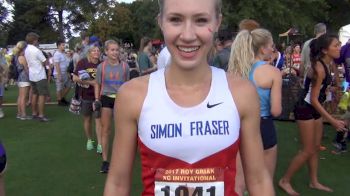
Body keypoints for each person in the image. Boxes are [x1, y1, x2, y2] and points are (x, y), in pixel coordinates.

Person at [104, 0, 274, 195]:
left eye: (201, 20)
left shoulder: (242, 92)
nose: (187, 35)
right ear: (161, 22)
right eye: (175, 19)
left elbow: (259, 180)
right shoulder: (132, 96)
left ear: (217, 22)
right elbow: (117, 184)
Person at [279, 34, 345, 196]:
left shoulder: (329, 64)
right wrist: (333, 120)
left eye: (339, 44)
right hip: (305, 108)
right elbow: (313, 99)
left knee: (315, 148)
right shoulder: (319, 68)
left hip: (314, 108)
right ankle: (284, 181)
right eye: (336, 45)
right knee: (307, 150)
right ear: (324, 50)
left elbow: (320, 90)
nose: (339, 48)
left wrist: (329, 89)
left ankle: (314, 182)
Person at [228, 28, 282, 195]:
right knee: (263, 181)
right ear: (263, 48)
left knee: (238, 184)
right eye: (271, 46)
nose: (273, 50)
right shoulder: (273, 72)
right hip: (264, 126)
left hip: (239, 127)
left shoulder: (236, 71)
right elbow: (276, 110)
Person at [95, 40, 129, 173]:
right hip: (106, 99)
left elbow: (127, 84)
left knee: (122, 131)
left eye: (116, 50)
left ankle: (120, 159)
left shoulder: (125, 66)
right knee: (106, 130)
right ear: (106, 52)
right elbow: (97, 83)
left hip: (121, 99)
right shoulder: (101, 67)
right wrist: (97, 99)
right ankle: (105, 161)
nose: (115, 52)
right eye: (112, 50)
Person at [72, 45, 102, 154]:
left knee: (98, 120)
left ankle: (100, 143)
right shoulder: (83, 63)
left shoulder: (102, 64)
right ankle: (89, 139)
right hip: (85, 96)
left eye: (98, 50)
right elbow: (75, 78)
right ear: (89, 52)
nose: (96, 52)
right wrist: (91, 83)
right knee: (87, 119)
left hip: (99, 96)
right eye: (94, 50)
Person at [24, 32, 49, 122]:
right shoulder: (36, 50)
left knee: (35, 94)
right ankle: (41, 115)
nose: (38, 41)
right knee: (42, 95)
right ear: (34, 40)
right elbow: (45, 61)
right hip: (40, 74)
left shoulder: (26, 50)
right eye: (37, 40)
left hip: (32, 74)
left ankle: (34, 113)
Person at [12, 41, 31, 120]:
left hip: (20, 78)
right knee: (23, 97)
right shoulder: (22, 57)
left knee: (20, 97)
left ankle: (19, 113)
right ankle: (23, 115)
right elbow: (26, 69)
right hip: (24, 78)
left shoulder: (16, 56)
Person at [53, 39, 71, 106]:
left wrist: (67, 73)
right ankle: (60, 101)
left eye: (64, 45)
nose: (64, 46)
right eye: (63, 45)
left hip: (65, 73)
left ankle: (62, 98)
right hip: (59, 73)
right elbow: (57, 65)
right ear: (58, 46)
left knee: (68, 86)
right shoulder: (57, 54)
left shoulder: (63, 53)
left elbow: (66, 64)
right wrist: (59, 75)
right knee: (59, 87)